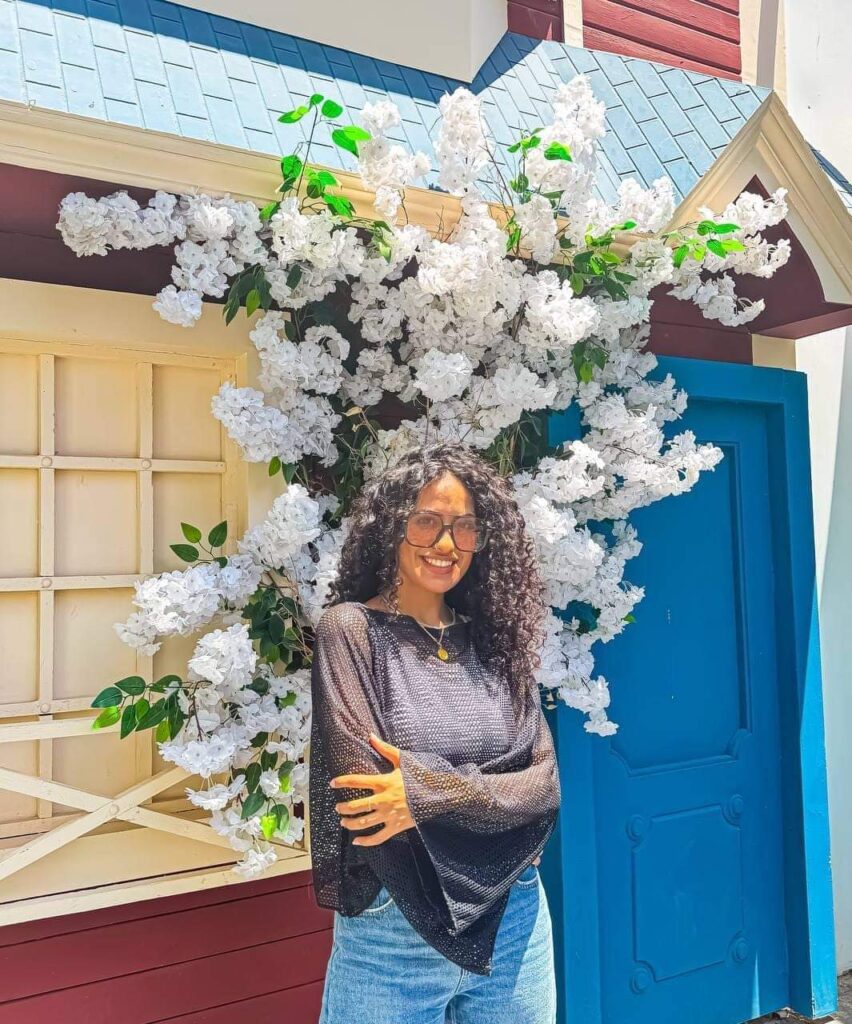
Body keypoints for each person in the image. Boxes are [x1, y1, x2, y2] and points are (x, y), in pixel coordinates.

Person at [309, 440, 562, 1023]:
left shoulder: (494, 641)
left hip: (515, 916)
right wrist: (495, 794)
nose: (446, 544)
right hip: (394, 928)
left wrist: (423, 792)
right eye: (426, 521)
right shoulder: (351, 632)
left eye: (464, 527)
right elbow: (367, 796)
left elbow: (544, 786)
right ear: (391, 526)